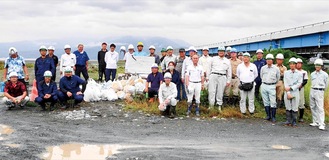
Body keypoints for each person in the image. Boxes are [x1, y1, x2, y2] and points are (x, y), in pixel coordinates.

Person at [207, 46, 231, 111]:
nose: (221, 52)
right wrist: (207, 77)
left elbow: (229, 71)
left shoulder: (227, 61)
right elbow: (209, 68)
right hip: (213, 75)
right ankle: (211, 105)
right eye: (220, 51)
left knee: (220, 91)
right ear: (218, 52)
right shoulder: (213, 59)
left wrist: (228, 80)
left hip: (222, 76)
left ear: (224, 52)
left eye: (222, 51)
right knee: (212, 91)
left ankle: (219, 105)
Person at [260, 54, 280, 122]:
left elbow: (278, 78)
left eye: (270, 59)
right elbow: (261, 76)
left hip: (272, 85)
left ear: (272, 60)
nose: (269, 61)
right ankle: (268, 115)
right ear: (266, 60)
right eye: (267, 59)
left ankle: (273, 116)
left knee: (273, 102)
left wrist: (273, 84)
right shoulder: (263, 68)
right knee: (265, 101)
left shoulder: (276, 68)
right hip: (264, 85)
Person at [283, 58, 303, 127]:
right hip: (287, 91)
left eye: (293, 64)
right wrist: (288, 92)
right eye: (291, 64)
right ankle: (288, 120)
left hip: (295, 91)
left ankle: (294, 121)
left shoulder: (300, 73)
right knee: (288, 106)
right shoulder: (286, 73)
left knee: (295, 106)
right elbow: (285, 82)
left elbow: (299, 83)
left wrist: (291, 88)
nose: (292, 65)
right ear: (289, 65)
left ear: (296, 65)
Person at [309, 59, 328, 130]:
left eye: (319, 65)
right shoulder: (312, 74)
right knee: (312, 106)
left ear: (321, 66)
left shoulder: (325, 74)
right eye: (316, 65)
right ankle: (315, 121)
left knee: (320, 108)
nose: (317, 66)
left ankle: (321, 123)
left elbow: (326, 85)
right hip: (312, 90)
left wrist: (321, 91)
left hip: (320, 91)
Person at [296, 58, 308, 123]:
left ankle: (301, 117)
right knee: (294, 102)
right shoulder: (293, 71)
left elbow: (305, 80)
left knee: (301, 102)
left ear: (301, 64)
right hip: (294, 89)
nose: (298, 65)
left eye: (299, 63)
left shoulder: (304, 72)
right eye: (297, 63)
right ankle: (293, 116)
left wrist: (301, 85)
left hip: (301, 88)